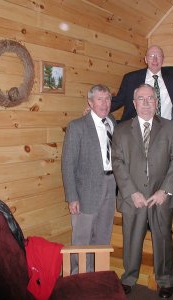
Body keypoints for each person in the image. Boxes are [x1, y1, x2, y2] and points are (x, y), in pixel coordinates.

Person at [111, 84, 173, 299]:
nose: (145, 103)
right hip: (134, 196)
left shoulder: (169, 127)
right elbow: (118, 162)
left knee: (162, 238)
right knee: (131, 238)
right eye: (140, 99)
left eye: (150, 98)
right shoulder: (122, 129)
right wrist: (131, 192)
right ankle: (129, 277)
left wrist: (165, 191)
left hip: (160, 196)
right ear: (133, 103)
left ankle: (165, 279)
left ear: (156, 102)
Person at [61, 84, 116, 274]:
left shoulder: (112, 122)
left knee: (103, 235)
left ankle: (97, 276)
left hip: (110, 185)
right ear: (90, 102)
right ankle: (78, 278)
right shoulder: (77, 126)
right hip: (85, 192)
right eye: (99, 99)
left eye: (108, 98)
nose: (105, 103)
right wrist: (72, 197)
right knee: (82, 239)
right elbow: (68, 164)